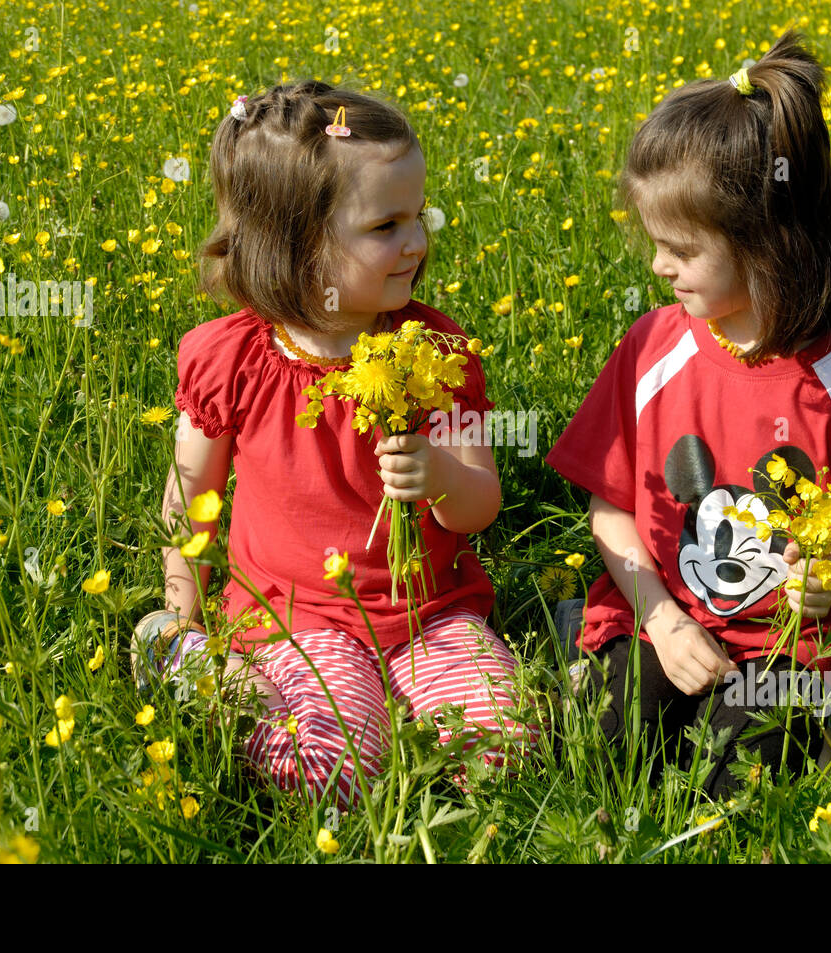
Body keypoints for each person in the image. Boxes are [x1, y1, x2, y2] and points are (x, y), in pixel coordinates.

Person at [132, 81, 531, 810]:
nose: (416, 241)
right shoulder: (236, 357)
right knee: (332, 770)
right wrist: (183, 605)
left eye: (417, 217)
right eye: (385, 225)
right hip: (295, 619)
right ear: (300, 244)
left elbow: (479, 507)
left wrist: (441, 475)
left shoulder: (437, 352)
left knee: (504, 750)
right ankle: (184, 659)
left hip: (431, 613)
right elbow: (190, 498)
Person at [546, 32, 831, 798]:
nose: (658, 266)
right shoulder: (652, 348)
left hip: (785, 645)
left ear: (768, 244)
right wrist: (659, 619)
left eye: (680, 248)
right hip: (663, 610)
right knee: (603, 744)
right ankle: (591, 638)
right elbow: (610, 508)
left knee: (736, 779)